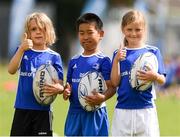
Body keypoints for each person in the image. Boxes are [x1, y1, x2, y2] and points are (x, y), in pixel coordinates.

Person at [111, 10, 166, 137]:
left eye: (138, 29)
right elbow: (114, 82)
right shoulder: (118, 53)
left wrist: (154, 76)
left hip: (146, 110)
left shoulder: (153, 52)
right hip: (122, 110)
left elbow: (162, 79)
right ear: (123, 29)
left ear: (144, 29)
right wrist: (116, 60)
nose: (133, 33)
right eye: (129, 29)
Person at [8, 12, 64, 136]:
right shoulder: (23, 51)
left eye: (42, 29)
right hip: (22, 109)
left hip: (43, 111)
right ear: (27, 33)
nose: (38, 32)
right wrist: (22, 49)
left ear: (49, 32)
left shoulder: (55, 57)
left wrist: (59, 89)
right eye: (34, 29)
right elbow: (11, 70)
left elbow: (60, 85)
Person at [63, 13, 116, 136]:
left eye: (90, 32)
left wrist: (102, 98)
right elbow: (68, 87)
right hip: (74, 113)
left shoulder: (103, 60)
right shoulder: (73, 61)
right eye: (82, 33)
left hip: (94, 114)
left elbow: (112, 87)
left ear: (100, 34)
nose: (85, 37)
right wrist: (66, 92)